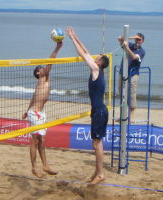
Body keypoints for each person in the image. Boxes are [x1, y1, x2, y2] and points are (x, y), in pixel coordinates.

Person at [66, 27, 109, 185]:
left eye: (96, 57)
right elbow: (86, 50)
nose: (94, 56)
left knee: (96, 143)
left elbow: (82, 54)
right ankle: (97, 172)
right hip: (100, 110)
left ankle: (101, 174)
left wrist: (71, 39)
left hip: (99, 111)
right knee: (98, 142)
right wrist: (75, 36)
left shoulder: (96, 69)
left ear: (98, 62)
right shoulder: (100, 69)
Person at [22, 41, 63, 178]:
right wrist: (57, 48)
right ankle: (34, 168)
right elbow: (50, 62)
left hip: (39, 112)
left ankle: (45, 165)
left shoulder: (42, 82)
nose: (43, 68)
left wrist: (25, 111)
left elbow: (33, 98)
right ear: (39, 73)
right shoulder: (43, 77)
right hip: (35, 113)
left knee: (43, 140)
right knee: (35, 140)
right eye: (41, 68)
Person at [117, 33, 145, 123]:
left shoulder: (141, 51)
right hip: (123, 72)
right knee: (121, 93)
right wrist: (132, 37)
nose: (137, 41)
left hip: (133, 74)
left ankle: (131, 116)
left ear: (142, 42)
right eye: (137, 39)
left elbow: (133, 57)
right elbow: (119, 38)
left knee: (132, 94)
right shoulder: (131, 44)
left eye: (139, 40)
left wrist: (127, 48)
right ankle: (121, 115)